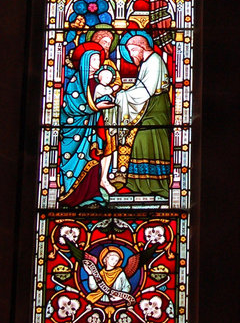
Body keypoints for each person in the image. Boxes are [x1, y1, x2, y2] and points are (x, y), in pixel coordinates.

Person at [115, 33, 172, 197]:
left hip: (156, 107)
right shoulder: (147, 62)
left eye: (132, 50)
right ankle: (137, 183)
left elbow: (146, 90)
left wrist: (122, 96)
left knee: (145, 139)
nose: (132, 55)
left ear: (141, 47)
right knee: (143, 139)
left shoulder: (154, 61)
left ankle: (153, 184)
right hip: (151, 106)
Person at [60, 42, 115, 205]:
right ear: (85, 61)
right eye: (94, 59)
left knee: (94, 157)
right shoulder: (76, 82)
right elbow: (70, 106)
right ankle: (71, 195)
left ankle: (93, 194)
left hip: (93, 128)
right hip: (77, 131)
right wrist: (95, 107)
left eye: (99, 59)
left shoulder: (96, 83)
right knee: (78, 160)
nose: (98, 63)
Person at [94, 64, 121, 195]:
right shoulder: (99, 88)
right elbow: (106, 93)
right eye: (105, 76)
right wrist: (114, 88)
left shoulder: (105, 88)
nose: (108, 78)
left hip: (110, 123)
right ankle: (100, 178)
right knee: (103, 149)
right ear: (99, 77)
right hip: (100, 123)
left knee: (110, 149)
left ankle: (104, 177)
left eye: (110, 76)